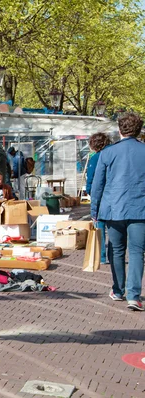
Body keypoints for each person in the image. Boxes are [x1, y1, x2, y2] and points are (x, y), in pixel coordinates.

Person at [90, 113, 145, 311]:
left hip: (113, 209)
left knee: (116, 250)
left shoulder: (108, 153)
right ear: (139, 130)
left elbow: (98, 185)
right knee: (138, 252)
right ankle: (134, 295)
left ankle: (118, 290)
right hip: (140, 209)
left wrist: (94, 210)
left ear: (120, 130)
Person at [85, 132, 112, 264]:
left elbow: (91, 179)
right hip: (115, 195)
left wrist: (89, 191)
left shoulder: (96, 158)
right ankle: (114, 255)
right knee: (114, 227)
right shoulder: (114, 155)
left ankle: (101, 256)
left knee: (99, 224)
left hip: (101, 195)